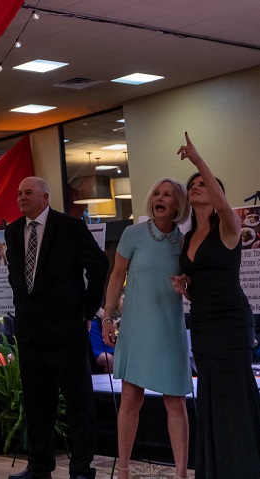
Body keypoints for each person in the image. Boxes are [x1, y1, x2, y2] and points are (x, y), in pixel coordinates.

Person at [5, 176, 108, 479]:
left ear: (45, 197)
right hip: (30, 332)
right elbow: (17, 276)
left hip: (67, 329)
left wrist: (87, 311)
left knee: (79, 403)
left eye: (28, 193)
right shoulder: (12, 231)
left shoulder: (70, 227)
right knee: (37, 403)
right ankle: (39, 466)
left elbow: (99, 266)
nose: (22, 197)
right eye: (19, 193)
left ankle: (81, 468)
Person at [172, 132, 260, 478]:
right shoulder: (188, 237)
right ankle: (216, 469)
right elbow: (200, 285)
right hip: (203, 323)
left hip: (231, 323)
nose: (195, 187)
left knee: (233, 395)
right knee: (210, 394)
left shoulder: (228, 227)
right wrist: (186, 287)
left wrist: (198, 161)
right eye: (191, 185)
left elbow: (224, 205)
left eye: (202, 184)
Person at [102, 178, 192, 479]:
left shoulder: (185, 242)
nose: (160, 198)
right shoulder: (132, 233)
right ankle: (124, 469)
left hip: (170, 329)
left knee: (175, 401)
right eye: (156, 193)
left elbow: (193, 287)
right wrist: (107, 316)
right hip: (136, 327)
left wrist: (186, 287)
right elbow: (116, 276)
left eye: (167, 194)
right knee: (131, 398)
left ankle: (181, 473)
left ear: (178, 205)